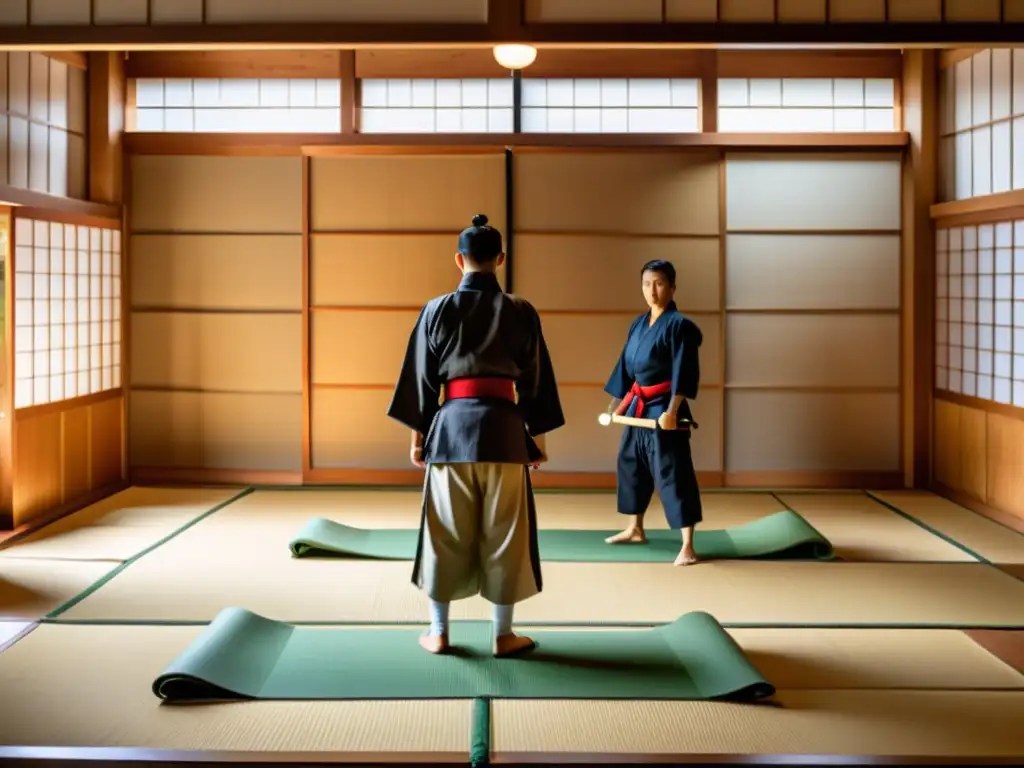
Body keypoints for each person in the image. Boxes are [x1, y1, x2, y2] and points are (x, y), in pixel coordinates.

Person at [387, 213, 565, 658]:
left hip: (450, 433)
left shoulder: (437, 309)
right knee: (506, 533)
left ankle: (439, 631)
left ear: (458, 259)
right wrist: (537, 441)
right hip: (505, 434)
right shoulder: (521, 311)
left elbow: (422, 381)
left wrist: (416, 440)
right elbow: (537, 381)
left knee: (443, 531)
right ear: (500, 259)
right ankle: (503, 636)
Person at [602, 259, 704, 566]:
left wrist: (673, 410)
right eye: (647, 284)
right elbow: (625, 368)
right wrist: (613, 407)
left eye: (659, 283)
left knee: (673, 469)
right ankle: (635, 528)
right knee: (631, 462)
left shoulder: (679, 326)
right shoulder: (638, 323)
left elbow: (684, 370)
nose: (653, 290)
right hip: (637, 406)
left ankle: (688, 544)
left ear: (672, 287)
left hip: (664, 407)